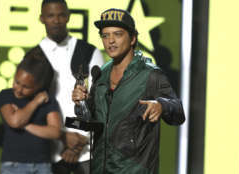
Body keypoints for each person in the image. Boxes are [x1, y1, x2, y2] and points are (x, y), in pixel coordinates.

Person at [72, 8, 186, 174]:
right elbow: (91, 120)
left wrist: (162, 106)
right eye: (105, 35)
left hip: (134, 170)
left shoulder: (151, 75)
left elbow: (179, 113)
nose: (110, 41)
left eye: (117, 34)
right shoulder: (102, 73)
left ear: (132, 38)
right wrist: (80, 102)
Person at [39, 0, 104, 173]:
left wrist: (79, 143)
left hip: (85, 152)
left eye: (61, 15)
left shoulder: (89, 52)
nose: (56, 20)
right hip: (45, 152)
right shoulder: (34, 56)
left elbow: (100, 102)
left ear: (68, 17)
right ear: (41, 19)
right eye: (51, 15)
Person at [0, 47, 62, 174]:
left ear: (39, 85)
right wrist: (35, 102)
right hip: (13, 166)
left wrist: (24, 124)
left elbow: (55, 132)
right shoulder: (6, 95)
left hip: (42, 166)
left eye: (26, 87)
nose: (19, 89)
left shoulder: (48, 100)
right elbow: (15, 122)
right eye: (17, 82)